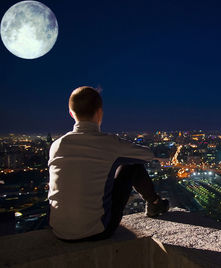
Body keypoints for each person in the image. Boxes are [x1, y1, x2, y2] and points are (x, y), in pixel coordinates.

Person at [47, 86, 169, 242]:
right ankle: (155, 204)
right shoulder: (109, 143)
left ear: (71, 114)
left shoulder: (57, 145)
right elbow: (147, 155)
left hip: (58, 230)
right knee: (132, 165)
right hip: (97, 231)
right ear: (100, 113)